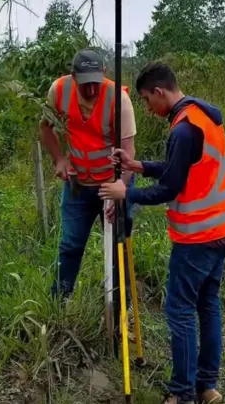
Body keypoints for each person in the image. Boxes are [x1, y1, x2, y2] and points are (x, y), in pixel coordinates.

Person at [98, 62, 225, 404]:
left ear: (159, 92)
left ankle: (182, 394)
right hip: (224, 230)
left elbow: (170, 188)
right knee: (208, 306)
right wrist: (138, 166)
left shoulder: (182, 129)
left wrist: (125, 192)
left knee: (180, 311)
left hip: (197, 238)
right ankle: (207, 386)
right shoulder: (203, 116)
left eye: (146, 100)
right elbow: (182, 168)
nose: (147, 108)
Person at [38, 48, 138, 303]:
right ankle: (59, 303)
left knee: (118, 247)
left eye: (96, 83)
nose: (92, 90)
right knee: (70, 244)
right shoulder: (58, 90)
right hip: (78, 186)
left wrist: (119, 189)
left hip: (112, 183)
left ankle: (120, 307)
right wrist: (59, 158)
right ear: (73, 77)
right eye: (85, 85)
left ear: (103, 74)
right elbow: (45, 128)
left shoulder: (118, 99)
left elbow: (129, 152)